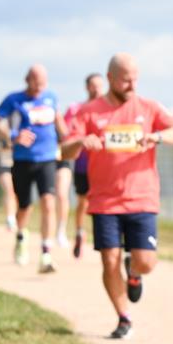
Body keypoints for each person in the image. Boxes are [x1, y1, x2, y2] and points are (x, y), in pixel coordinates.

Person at [62, 53, 173, 338]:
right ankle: (124, 318)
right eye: (125, 80)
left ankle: (134, 272)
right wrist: (82, 141)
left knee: (146, 262)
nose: (132, 85)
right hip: (104, 200)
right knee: (109, 260)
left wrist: (157, 137)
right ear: (110, 78)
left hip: (141, 197)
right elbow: (64, 150)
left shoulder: (148, 107)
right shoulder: (89, 111)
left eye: (135, 79)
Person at [0, 65, 67, 272]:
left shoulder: (51, 97)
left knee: (48, 202)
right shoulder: (13, 99)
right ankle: (21, 237)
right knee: (24, 206)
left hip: (47, 158)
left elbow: (60, 123)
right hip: (23, 160)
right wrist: (13, 136)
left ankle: (46, 253)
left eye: (43, 82)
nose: (40, 87)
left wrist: (68, 139)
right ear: (28, 80)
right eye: (37, 82)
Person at [64, 72, 105, 258]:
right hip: (82, 164)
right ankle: (80, 231)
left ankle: (102, 236)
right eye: (93, 85)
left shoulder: (108, 110)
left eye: (99, 85)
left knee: (102, 202)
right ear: (87, 87)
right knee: (83, 201)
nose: (97, 89)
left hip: (104, 165)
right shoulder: (77, 109)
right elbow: (67, 134)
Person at [0, 139, 16, 231]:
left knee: (17, 192)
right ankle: (10, 218)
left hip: (21, 160)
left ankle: (15, 217)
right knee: (9, 190)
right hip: (6, 158)